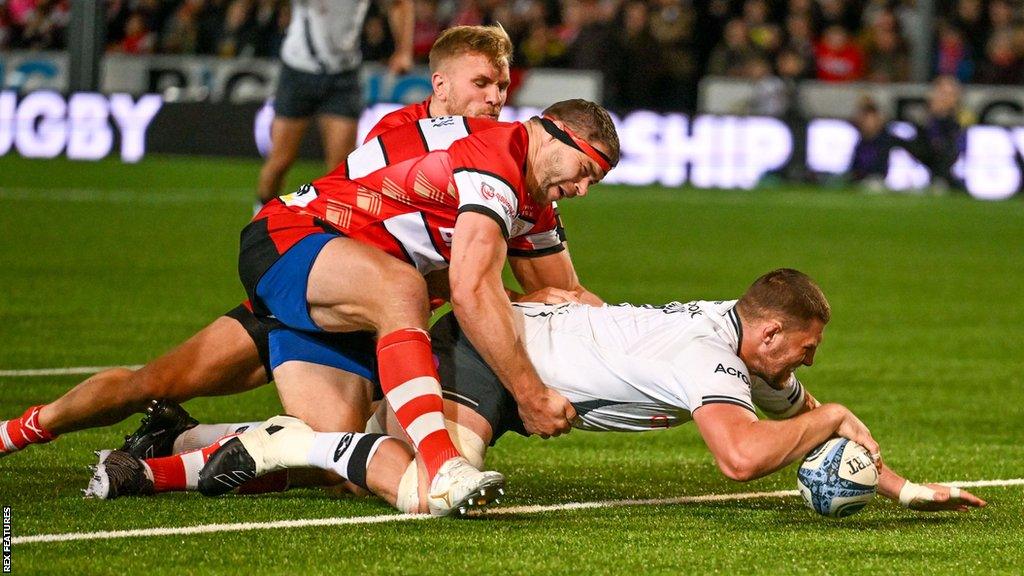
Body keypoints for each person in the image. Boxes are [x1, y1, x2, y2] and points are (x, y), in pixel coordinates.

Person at [0, 25, 535, 459]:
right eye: (481, 83)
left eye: (502, 88)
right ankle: (18, 431)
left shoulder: (498, 161)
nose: (494, 99)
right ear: (440, 84)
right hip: (327, 288)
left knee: (341, 453)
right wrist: (483, 290)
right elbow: (390, 248)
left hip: (358, 319)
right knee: (154, 381)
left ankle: (177, 441)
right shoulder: (406, 138)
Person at [89, 269, 986, 516]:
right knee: (427, 491)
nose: (809, 375)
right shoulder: (706, 354)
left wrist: (900, 484)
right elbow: (744, 457)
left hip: (525, 364)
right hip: (496, 351)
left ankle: (172, 440)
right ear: (769, 334)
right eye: (807, 354)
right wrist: (826, 421)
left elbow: (809, 417)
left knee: (366, 477)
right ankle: (261, 445)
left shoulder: (752, 351)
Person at [229, 98, 618, 515]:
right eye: (585, 172)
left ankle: (177, 449)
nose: (582, 190)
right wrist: (530, 395)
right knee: (404, 287)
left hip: (355, 299)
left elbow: (567, 299)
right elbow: (469, 293)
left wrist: (664, 331)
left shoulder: (534, 202)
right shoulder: (497, 156)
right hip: (291, 238)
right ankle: (442, 462)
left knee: (344, 450)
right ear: (554, 130)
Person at [255, 0, 414, 205]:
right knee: (280, 162)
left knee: (341, 169)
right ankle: (259, 221)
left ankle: (331, 232)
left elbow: (399, 4)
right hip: (298, 69)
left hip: (344, 74)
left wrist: (403, 51)